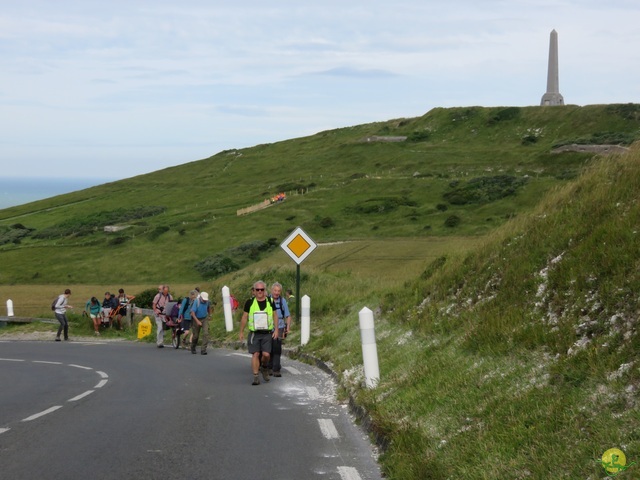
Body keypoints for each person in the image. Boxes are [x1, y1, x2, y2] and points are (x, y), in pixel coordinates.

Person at [239, 281, 279, 385]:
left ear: (265, 290)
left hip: (267, 333)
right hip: (254, 333)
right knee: (255, 354)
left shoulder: (270, 301)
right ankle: (256, 376)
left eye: (262, 289)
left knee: (266, 355)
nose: (260, 291)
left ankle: (264, 367)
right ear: (254, 291)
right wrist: (241, 331)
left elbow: (275, 315)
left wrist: (277, 330)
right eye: (258, 290)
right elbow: (244, 317)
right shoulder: (250, 302)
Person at [268, 282, 292, 377]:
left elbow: (288, 316)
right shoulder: (266, 300)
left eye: (278, 291)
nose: (276, 293)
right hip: (268, 327)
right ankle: (268, 367)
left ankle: (276, 369)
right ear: (272, 290)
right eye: (275, 290)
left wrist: (288, 327)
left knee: (277, 348)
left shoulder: (283, 301)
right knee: (268, 348)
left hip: (280, 326)